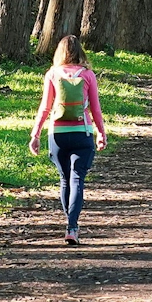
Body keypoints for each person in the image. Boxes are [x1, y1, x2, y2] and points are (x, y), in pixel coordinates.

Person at [29, 35, 107, 245]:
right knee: (77, 179)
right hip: (82, 133)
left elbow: (45, 107)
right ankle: (72, 226)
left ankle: (70, 222)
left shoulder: (52, 74)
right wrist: (101, 132)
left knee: (65, 180)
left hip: (58, 134)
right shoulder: (88, 75)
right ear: (81, 52)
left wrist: (35, 134)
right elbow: (95, 109)